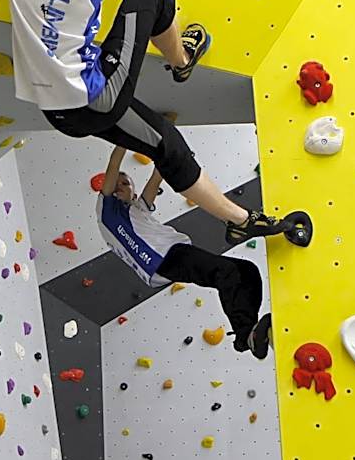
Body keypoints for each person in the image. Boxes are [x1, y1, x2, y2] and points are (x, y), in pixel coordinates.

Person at [7, 0, 288, 243]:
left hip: (57, 111)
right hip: (96, 97)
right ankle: (182, 61)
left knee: (165, 143)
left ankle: (240, 220)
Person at [97, 147, 273, 358]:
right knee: (225, 273)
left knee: (247, 270)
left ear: (133, 194)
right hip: (161, 260)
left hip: (174, 254)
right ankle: (245, 336)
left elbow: (157, 176)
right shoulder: (108, 210)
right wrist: (124, 140)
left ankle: (252, 332)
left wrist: (166, 147)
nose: (118, 186)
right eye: (115, 183)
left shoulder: (138, 209)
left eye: (125, 183)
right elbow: (114, 164)